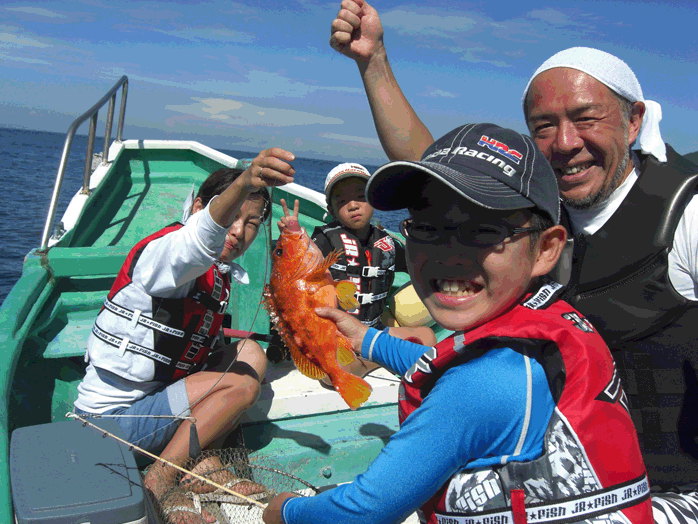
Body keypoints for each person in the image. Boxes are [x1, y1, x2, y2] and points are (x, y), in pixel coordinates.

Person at [331, 1, 698, 514]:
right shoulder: (532, 216)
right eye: (543, 126)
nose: (565, 143)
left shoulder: (686, 217)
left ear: (634, 121)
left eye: (586, 118)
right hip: (563, 477)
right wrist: (374, 63)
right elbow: (431, 164)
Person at [263, 124, 653, 524]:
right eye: (428, 228)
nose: (449, 253)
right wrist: (366, 338)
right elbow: (444, 359)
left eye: (484, 230)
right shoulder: (548, 324)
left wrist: (284, 511)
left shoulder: (477, 390)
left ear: (546, 249)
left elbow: (364, 511)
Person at [73, 148, 296, 523]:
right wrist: (243, 182)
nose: (239, 231)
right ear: (198, 208)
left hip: (156, 406)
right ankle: (163, 477)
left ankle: (203, 461)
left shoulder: (220, 272)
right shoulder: (169, 253)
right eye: (231, 215)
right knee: (241, 386)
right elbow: (195, 245)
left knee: (250, 353)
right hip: (109, 427)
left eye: (253, 222)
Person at [278, 163, 436, 382]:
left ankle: (368, 360)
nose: (353, 205)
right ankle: (374, 361)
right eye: (342, 201)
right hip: (338, 336)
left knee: (427, 338)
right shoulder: (323, 241)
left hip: (375, 332)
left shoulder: (388, 242)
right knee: (331, 371)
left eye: (361, 197)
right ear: (331, 210)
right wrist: (290, 236)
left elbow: (420, 265)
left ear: (374, 200)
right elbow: (293, 273)